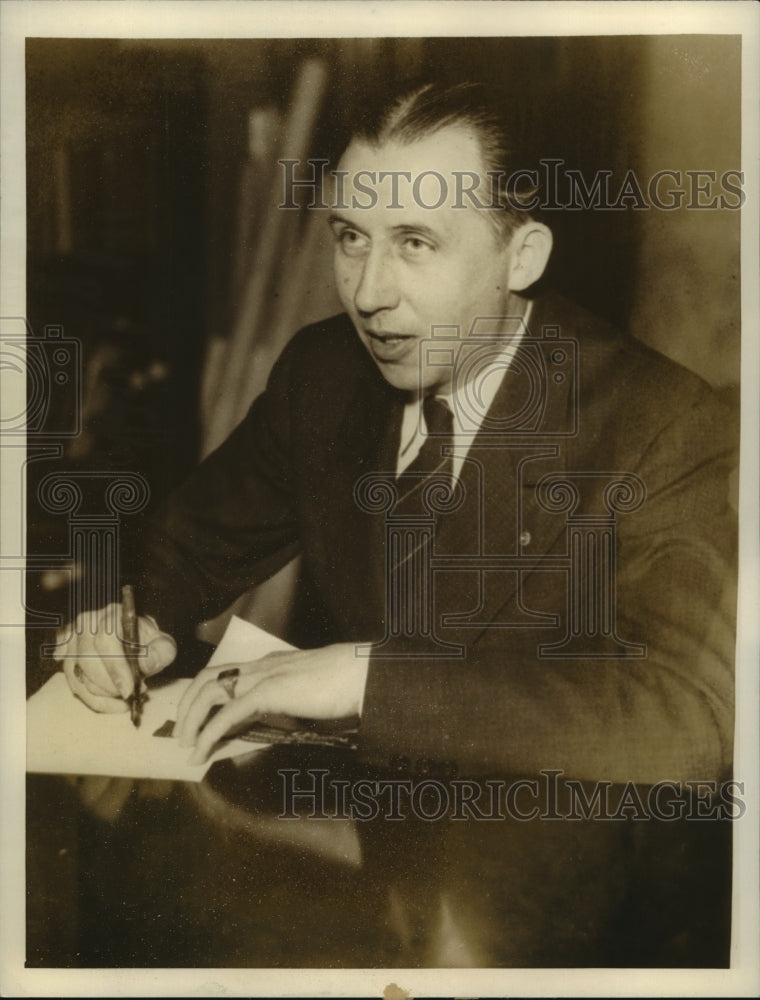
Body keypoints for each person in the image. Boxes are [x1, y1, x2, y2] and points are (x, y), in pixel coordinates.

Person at [57, 81, 736, 783]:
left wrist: (370, 680)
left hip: (554, 865)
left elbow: (699, 721)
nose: (368, 292)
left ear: (522, 257)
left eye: (415, 243)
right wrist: (130, 626)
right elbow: (181, 553)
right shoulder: (323, 375)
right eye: (352, 238)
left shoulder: (660, 426)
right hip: (370, 841)